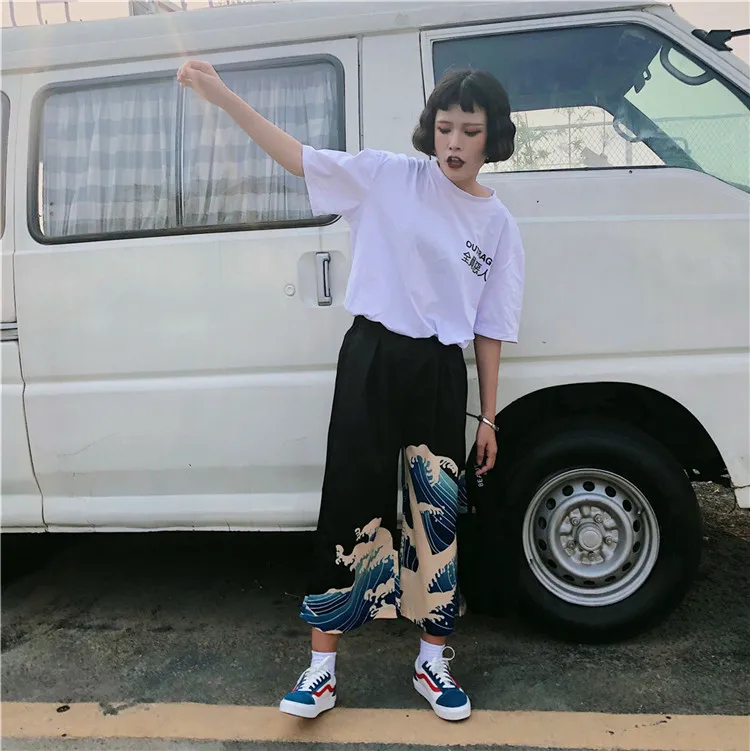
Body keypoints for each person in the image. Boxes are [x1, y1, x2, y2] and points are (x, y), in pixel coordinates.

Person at [177, 59, 524, 722]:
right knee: (349, 502)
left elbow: (491, 326)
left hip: (439, 370)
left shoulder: (498, 223)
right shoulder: (387, 176)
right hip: (370, 356)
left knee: (435, 512)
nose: (454, 142)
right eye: (445, 128)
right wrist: (224, 98)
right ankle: (321, 671)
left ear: (493, 137)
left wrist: (489, 416)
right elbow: (298, 158)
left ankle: (431, 662)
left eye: (470, 130)